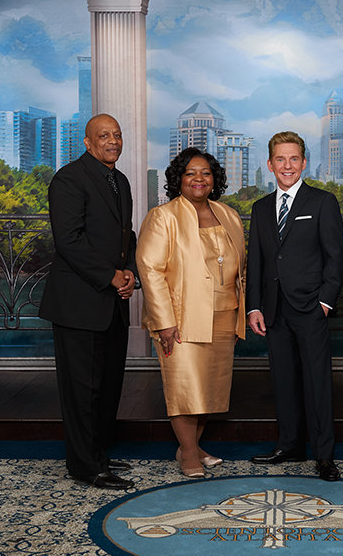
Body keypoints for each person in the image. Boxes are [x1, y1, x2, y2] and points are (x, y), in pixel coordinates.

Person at [39, 114, 137, 490]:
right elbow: (69, 240)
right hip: (78, 303)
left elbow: (126, 236)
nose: (113, 141)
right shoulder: (68, 179)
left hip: (113, 302)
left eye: (117, 134)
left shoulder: (120, 181)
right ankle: (85, 465)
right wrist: (111, 276)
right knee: (82, 389)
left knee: (108, 385)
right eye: (104, 135)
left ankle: (99, 453)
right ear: (87, 142)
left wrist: (129, 274)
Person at [136, 147, 246, 478]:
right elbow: (150, 270)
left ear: (215, 179)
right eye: (190, 173)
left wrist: (242, 313)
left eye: (206, 173)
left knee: (210, 387)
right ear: (179, 179)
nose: (199, 179)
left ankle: (192, 445)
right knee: (185, 386)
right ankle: (187, 452)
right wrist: (164, 322)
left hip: (225, 314)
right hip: (181, 318)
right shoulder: (163, 216)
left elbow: (241, 268)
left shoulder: (228, 214)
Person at [247, 131, 343, 482]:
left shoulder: (322, 202)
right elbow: (256, 262)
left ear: (303, 163)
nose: (286, 165)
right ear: (270, 164)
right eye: (280, 159)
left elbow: (336, 258)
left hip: (310, 307)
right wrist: (254, 307)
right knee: (284, 380)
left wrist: (325, 302)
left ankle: (324, 455)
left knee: (317, 383)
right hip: (273, 309)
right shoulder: (260, 209)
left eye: (293, 159)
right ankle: (289, 445)